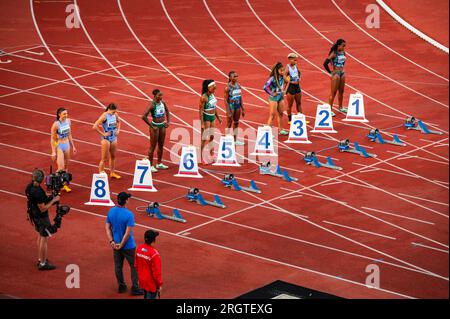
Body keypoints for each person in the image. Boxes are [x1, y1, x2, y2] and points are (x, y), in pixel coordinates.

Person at [105, 192, 144, 295]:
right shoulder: (129, 214)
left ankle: (121, 286)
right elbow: (127, 233)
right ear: (126, 201)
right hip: (128, 245)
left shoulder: (111, 211)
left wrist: (112, 241)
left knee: (118, 266)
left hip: (115, 244)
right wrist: (122, 244)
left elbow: (107, 228)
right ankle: (135, 288)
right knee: (134, 266)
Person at [25, 169, 61, 270]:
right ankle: (43, 263)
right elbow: (43, 208)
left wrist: (48, 198)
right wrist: (54, 200)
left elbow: (39, 201)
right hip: (41, 217)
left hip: (34, 215)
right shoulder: (38, 192)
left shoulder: (29, 187)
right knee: (44, 238)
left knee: (40, 236)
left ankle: (41, 259)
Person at [142, 89, 171, 173]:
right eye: (159, 95)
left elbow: (167, 111)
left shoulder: (163, 103)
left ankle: (159, 163)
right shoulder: (152, 104)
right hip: (155, 126)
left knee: (161, 145)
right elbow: (143, 116)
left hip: (162, 125)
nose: (161, 97)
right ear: (155, 96)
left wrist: (168, 122)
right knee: (152, 146)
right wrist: (151, 125)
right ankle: (150, 165)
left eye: (161, 95)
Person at [50, 107, 76, 192]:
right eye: (64, 114)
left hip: (67, 145)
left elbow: (70, 134)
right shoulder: (56, 124)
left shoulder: (68, 121)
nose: (66, 115)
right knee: (60, 168)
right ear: (59, 114)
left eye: (67, 113)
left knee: (66, 167)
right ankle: (55, 186)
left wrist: (73, 146)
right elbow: (52, 139)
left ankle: (64, 185)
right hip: (60, 146)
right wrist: (53, 152)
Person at [92, 103, 121, 179]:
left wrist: (118, 130)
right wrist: (103, 134)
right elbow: (94, 126)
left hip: (114, 137)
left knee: (113, 156)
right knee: (104, 158)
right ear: (109, 110)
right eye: (113, 112)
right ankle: (101, 175)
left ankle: (112, 173)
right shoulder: (104, 116)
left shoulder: (115, 115)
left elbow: (119, 122)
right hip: (106, 139)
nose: (114, 113)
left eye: (115, 112)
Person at [135, 229, 163, 299]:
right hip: (151, 283)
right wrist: (159, 284)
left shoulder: (138, 248)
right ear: (153, 240)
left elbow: (136, 265)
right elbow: (157, 272)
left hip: (142, 280)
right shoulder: (154, 254)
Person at [323, 39, 348, 117]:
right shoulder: (334, 53)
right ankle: (329, 109)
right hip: (336, 74)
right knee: (333, 93)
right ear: (338, 46)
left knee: (341, 91)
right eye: (343, 46)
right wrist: (330, 72)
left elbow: (343, 62)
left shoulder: (343, 53)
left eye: (345, 46)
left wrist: (342, 69)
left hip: (342, 73)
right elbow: (325, 63)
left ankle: (340, 107)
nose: (344, 47)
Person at [199, 79, 222, 162]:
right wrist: (202, 123)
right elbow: (200, 111)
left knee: (212, 137)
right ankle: (200, 157)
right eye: (213, 86)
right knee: (204, 138)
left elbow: (214, 107)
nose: (215, 88)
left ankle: (211, 155)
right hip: (206, 118)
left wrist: (218, 117)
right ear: (208, 87)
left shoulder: (213, 95)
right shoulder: (204, 97)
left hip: (212, 117)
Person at [264, 62, 288, 135]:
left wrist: (285, 91)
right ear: (277, 70)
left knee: (281, 113)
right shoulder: (272, 79)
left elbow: (287, 82)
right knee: (272, 115)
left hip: (280, 96)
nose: (283, 72)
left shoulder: (282, 77)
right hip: (273, 98)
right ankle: (267, 133)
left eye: (283, 70)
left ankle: (281, 129)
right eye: (281, 70)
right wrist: (272, 93)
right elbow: (265, 87)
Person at [284, 53, 308, 124]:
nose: (296, 62)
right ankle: (290, 120)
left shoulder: (296, 66)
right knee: (290, 105)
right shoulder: (287, 67)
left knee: (299, 103)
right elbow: (284, 76)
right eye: (294, 60)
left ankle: (300, 118)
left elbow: (299, 73)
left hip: (297, 86)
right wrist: (290, 81)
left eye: (296, 60)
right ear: (290, 59)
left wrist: (300, 78)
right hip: (291, 88)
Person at [224, 71, 245, 146]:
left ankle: (235, 140)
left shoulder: (238, 85)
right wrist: (228, 111)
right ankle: (226, 139)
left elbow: (240, 97)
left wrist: (243, 108)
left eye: (236, 76)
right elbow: (225, 100)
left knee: (236, 122)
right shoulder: (228, 88)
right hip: (231, 106)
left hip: (237, 106)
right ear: (230, 78)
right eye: (234, 76)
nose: (236, 77)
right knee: (229, 123)